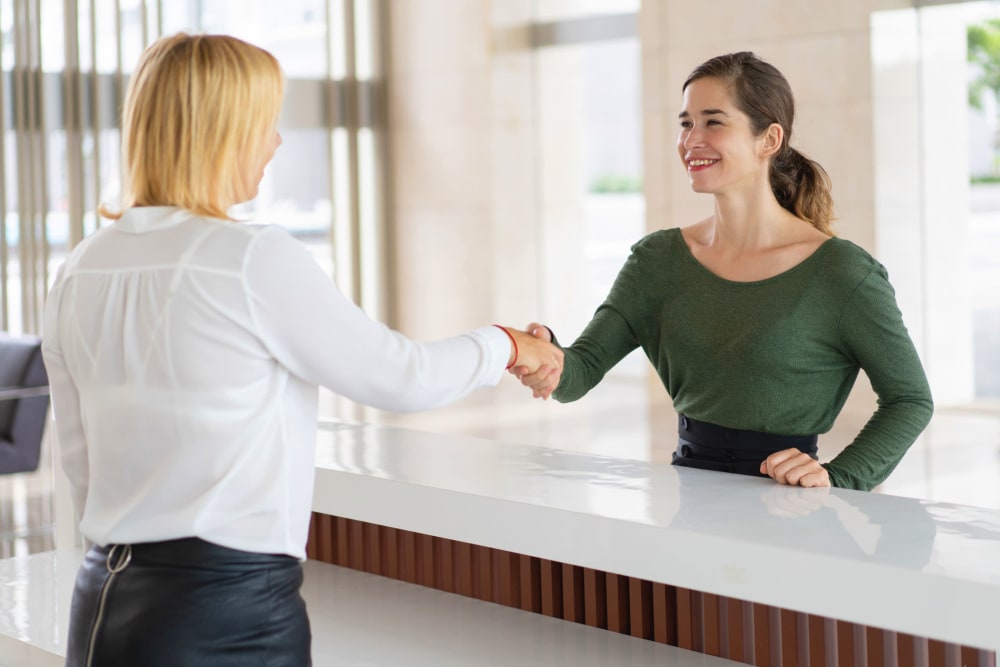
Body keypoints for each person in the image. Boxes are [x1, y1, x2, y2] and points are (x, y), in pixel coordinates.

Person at [41, 33, 562, 667]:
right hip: (223, 610)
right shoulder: (249, 257)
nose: (276, 143)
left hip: (104, 602)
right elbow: (401, 378)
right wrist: (505, 343)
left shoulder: (81, 267)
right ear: (221, 131)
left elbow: (81, 464)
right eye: (266, 123)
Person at [514, 51, 932, 491]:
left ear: (769, 139)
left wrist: (839, 477)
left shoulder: (842, 272)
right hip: (689, 502)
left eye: (713, 122)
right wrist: (547, 360)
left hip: (792, 512)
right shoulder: (656, 260)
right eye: (685, 123)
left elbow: (910, 400)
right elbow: (580, 372)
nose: (691, 139)